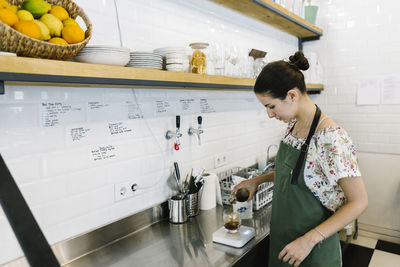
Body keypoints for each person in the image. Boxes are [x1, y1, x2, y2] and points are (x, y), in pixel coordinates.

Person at [231, 51, 368, 267]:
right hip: (284, 246)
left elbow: (359, 202)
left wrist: (309, 239)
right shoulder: (292, 127)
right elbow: (294, 173)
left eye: (271, 106)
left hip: (313, 251)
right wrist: (257, 180)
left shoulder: (330, 138)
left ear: (292, 95)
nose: (269, 114)